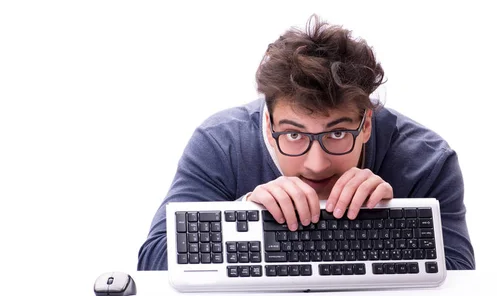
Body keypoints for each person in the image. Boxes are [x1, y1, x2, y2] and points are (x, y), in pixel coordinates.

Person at [137, 15, 475, 271]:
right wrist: (241, 213)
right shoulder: (219, 144)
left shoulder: (428, 161)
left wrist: (394, 219)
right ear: (268, 125)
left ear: (367, 124)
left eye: (338, 133)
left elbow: (462, 281)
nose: (316, 164)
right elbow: (152, 263)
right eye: (294, 135)